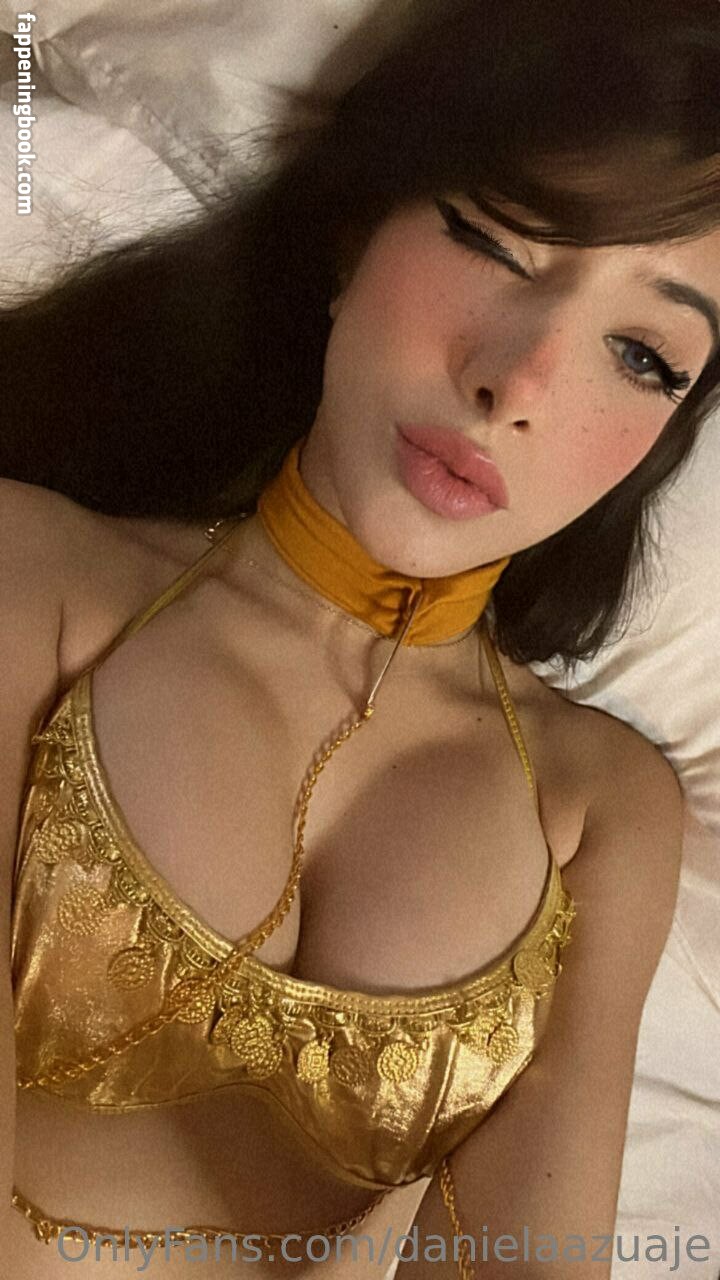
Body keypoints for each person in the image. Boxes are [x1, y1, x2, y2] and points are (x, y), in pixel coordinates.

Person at [2, 0, 719, 1275]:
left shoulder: (603, 807)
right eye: (495, 241)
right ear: (353, 236)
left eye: (642, 353)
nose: (519, 383)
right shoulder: (35, 571)